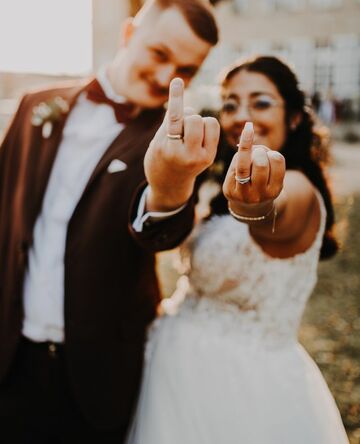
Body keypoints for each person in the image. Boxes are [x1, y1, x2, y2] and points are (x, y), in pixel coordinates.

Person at [0, 0, 219, 443]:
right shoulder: (35, 107)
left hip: (97, 380)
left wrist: (172, 184)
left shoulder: (171, 142)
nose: (166, 76)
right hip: (10, 359)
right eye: (159, 52)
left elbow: (161, 229)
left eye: (186, 70)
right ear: (127, 32)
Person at [126, 56, 349, 444]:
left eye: (260, 102)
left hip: (242, 388)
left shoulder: (298, 190)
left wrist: (253, 206)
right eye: (230, 103)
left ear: (294, 118)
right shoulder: (214, 191)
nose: (241, 116)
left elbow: (271, 212)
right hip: (172, 370)